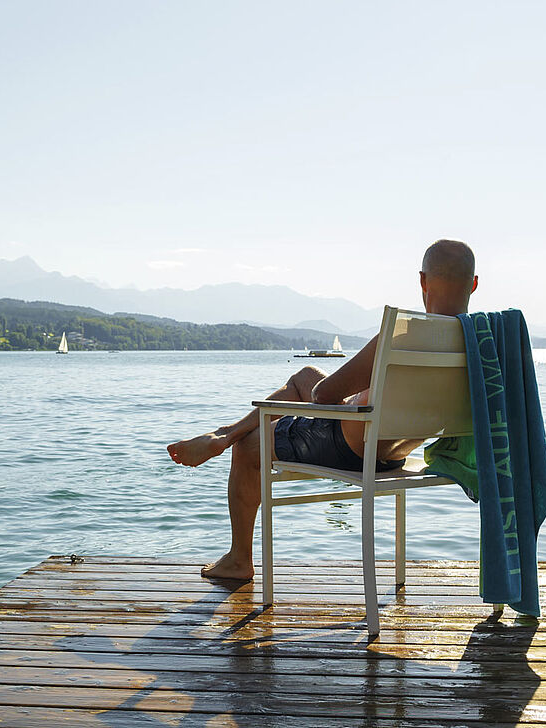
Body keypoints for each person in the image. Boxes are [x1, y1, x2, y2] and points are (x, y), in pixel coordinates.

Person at [167, 239, 478, 579]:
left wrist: (348, 395)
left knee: (250, 445)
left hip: (351, 445)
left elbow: (325, 395)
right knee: (303, 376)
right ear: (474, 284)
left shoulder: (403, 335)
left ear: (422, 281)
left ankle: (238, 552)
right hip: (396, 450)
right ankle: (222, 435)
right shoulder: (480, 341)